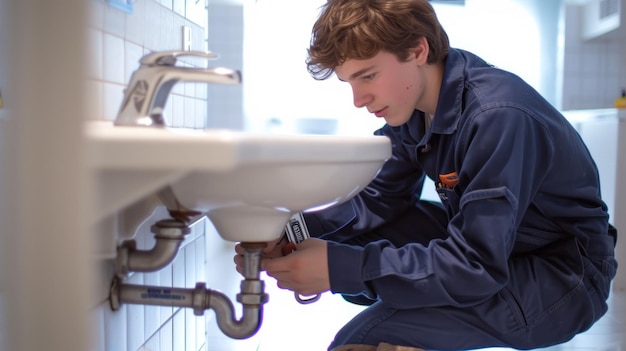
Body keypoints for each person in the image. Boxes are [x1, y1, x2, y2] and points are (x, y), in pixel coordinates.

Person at [234, 0, 618, 350]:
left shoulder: (498, 117)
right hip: (501, 252)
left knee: (362, 341)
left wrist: (340, 269)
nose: (358, 99)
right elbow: (379, 198)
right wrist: (295, 231)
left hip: (562, 278)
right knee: (358, 236)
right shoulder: (413, 109)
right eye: (349, 82)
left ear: (418, 50)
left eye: (367, 76)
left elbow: (476, 264)